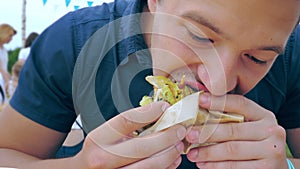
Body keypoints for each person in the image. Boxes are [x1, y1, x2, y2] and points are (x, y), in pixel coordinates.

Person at [0, 0, 299, 168]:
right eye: (200, 37)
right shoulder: (74, 43)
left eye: (257, 58)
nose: (218, 84)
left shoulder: (292, 57)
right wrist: (79, 166)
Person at [0, 23, 16, 91]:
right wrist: (8, 82)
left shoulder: (4, 50)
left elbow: (4, 69)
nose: (11, 39)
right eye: (10, 36)